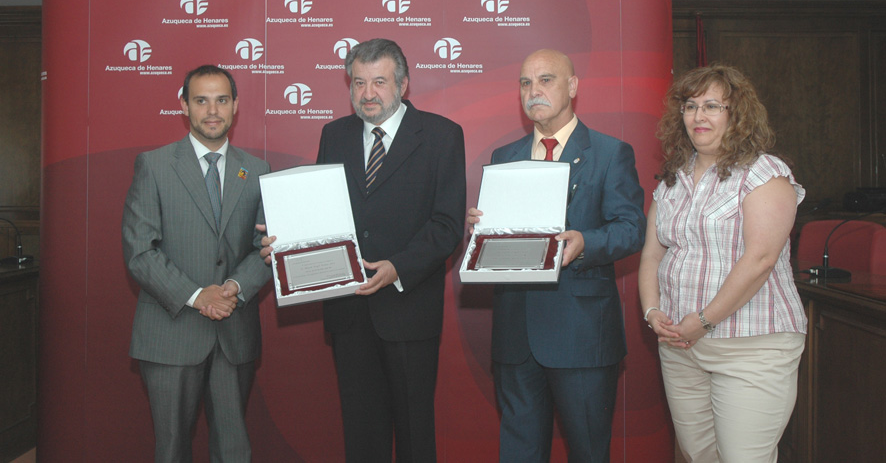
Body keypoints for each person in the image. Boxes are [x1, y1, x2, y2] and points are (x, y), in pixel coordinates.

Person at [262, 38, 466, 462]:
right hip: (350, 313)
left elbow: (447, 226)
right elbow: (321, 215)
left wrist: (398, 267)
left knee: (414, 437)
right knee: (362, 437)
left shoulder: (442, 135)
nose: (368, 93)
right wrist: (286, 243)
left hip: (408, 312)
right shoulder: (334, 134)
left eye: (379, 82)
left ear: (403, 85)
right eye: (358, 82)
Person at [467, 49, 645, 462]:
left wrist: (586, 243)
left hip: (581, 335)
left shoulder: (610, 153)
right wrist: (482, 229)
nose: (534, 91)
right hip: (515, 337)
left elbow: (632, 228)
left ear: (573, 86)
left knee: (588, 453)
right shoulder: (504, 158)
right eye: (525, 83)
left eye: (546, 80)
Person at [638, 64, 807, 462]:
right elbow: (652, 254)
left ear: (738, 114)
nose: (699, 116)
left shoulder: (764, 173)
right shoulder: (673, 180)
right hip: (681, 346)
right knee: (698, 456)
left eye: (712, 106)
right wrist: (652, 311)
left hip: (752, 346)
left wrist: (704, 320)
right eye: (690, 106)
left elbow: (761, 259)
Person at [122, 65, 270, 462]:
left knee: (233, 451)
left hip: (233, 331)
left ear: (235, 105)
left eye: (221, 100)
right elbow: (140, 251)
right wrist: (196, 295)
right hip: (171, 334)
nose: (212, 111)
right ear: (184, 106)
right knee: (172, 450)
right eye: (201, 100)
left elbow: (265, 250)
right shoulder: (154, 166)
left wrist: (234, 288)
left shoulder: (257, 171)